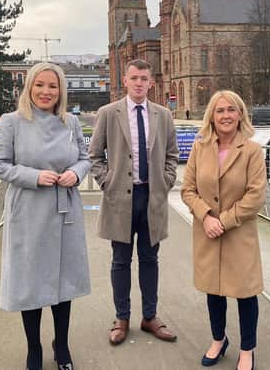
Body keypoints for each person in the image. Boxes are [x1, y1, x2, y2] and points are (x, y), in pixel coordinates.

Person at [0, 62, 91, 370]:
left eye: (53, 86)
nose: (46, 91)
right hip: (29, 213)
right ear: (29, 87)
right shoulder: (12, 122)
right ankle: (33, 347)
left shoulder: (70, 122)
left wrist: (75, 173)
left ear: (61, 90)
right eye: (40, 85)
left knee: (64, 281)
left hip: (65, 212)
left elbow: (85, 159)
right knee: (30, 282)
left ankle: (61, 344)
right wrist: (34, 176)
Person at [89, 59, 179, 346]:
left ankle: (150, 316)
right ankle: (122, 317)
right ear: (125, 81)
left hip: (151, 198)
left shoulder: (163, 115)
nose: (139, 82)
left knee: (150, 259)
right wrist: (107, 183)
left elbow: (172, 155)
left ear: (150, 82)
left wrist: (164, 182)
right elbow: (94, 157)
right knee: (120, 261)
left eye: (144, 78)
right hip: (120, 199)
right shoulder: (107, 113)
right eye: (134, 78)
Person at [181, 90, 267, 370]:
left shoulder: (252, 151)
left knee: (245, 292)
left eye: (231, 110)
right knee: (213, 290)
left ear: (240, 114)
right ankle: (218, 340)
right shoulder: (200, 147)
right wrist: (206, 216)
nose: (226, 115)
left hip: (239, 233)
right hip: (207, 232)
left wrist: (224, 220)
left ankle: (247, 349)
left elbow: (255, 197)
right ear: (212, 116)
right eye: (220, 111)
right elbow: (188, 189)